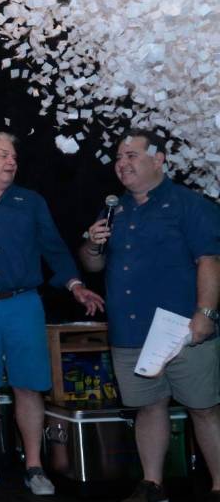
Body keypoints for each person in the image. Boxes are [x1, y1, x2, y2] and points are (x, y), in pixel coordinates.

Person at [0, 131, 104, 496]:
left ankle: (34, 465)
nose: (11, 161)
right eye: (2, 155)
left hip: (24, 303)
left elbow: (54, 249)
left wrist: (75, 285)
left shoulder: (31, 202)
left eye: (14, 155)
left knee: (29, 386)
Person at [80, 129, 220, 502]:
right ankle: (152, 484)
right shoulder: (114, 208)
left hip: (182, 328)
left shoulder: (189, 204)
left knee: (203, 407)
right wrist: (92, 245)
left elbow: (209, 260)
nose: (122, 164)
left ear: (158, 160)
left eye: (132, 156)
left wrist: (205, 313)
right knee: (148, 406)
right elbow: (92, 264)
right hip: (130, 330)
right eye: (119, 158)